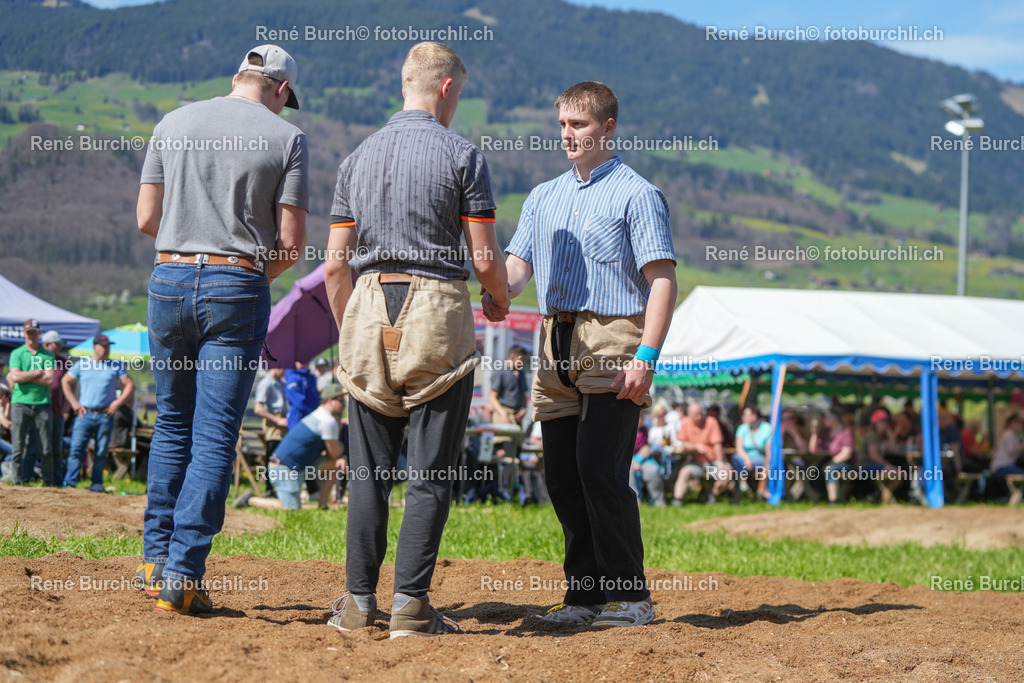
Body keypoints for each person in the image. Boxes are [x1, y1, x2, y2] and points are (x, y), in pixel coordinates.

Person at [323, 42, 509, 638]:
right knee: (429, 473)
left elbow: (334, 265)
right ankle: (410, 606)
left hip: (369, 302)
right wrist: (499, 298)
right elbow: (483, 256)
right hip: (436, 305)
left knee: (368, 472)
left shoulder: (357, 157)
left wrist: (349, 327)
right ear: (448, 88)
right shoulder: (462, 155)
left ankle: (356, 605)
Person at [484, 81, 677, 628]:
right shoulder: (544, 196)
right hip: (554, 340)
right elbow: (518, 269)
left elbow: (661, 280)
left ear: (608, 128)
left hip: (614, 336)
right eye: (564, 124)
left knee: (600, 468)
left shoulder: (638, 194)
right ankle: (585, 596)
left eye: (581, 125)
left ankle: (630, 595)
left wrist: (647, 354)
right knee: (563, 475)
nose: (569, 135)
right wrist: (500, 294)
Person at [134, 44, 308, 613]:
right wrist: (250, 274)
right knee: (213, 438)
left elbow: (145, 219)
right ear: (280, 89)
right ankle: (182, 576)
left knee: (171, 425)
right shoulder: (287, 139)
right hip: (235, 285)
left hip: (168, 277)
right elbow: (290, 245)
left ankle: (153, 560)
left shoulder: (173, 122)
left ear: (239, 76)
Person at [235, 384, 348, 510]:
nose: (344, 404)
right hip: (283, 468)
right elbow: (335, 453)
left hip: (294, 467)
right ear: (331, 401)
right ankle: (251, 499)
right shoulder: (327, 421)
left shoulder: (320, 415)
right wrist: (342, 445)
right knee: (291, 509)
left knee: (335, 463)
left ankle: (323, 505)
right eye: (341, 400)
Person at [61, 334, 135, 491]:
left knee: (101, 452)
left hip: (104, 415)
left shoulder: (116, 366)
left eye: (108, 346)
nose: (107, 349)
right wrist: (74, 403)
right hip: (84, 414)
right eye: (104, 346)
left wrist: (118, 402)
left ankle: (96, 485)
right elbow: (65, 381)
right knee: (76, 449)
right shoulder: (83, 364)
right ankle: (70, 483)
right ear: (95, 347)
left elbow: (129, 385)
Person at [2, 320, 56, 486]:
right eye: (29, 332)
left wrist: (25, 377)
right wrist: (36, 373)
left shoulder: (47, 355)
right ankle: (17, 482)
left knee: (46, 447)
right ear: (24, 334)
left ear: (39, 333)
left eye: (34, 332)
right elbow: (15, 377)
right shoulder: (17, 353)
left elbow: (49, 380)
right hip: (20, 404)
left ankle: (49, 482)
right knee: (17, 447)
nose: (32, 335)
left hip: (42, 404)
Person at [489, 345, 530, 499]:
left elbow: (525, 395)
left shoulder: (521, 374)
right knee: (505, 453)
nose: (524, 363)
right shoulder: (500, 371)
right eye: (522, 360)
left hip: (516, 418)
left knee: (516, 454)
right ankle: (502, 491)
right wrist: (502, 413)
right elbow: (492, 396)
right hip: (503, 416)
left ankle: (514, 489)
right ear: (512, 357)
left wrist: (524, 409)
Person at [672, 402, 731, 504]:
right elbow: (682, 443)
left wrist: (720, 463)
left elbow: (717, 444)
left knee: (727, 472)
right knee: (683, 473)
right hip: (696, 462)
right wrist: (696, 447)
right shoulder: (686, 423)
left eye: (701, 414)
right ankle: (677, 501)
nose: (699, 417)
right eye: (696, 416)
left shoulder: (711, 422)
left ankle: (713, 495)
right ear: (689, 415)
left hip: (713, 461)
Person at [41, 330, 70, 479]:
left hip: (57, 412)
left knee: (56, 449)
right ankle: (42, 478)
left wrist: (67, 404)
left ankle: (57, 481)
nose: (60, 347)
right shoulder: (37, 359)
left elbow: (72, 384)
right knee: (39, 448)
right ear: (47, 345)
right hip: (38, 412)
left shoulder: (63, 362)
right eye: (57, 344)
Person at [732, 405, 771, 500]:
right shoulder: (742, 428)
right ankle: (741, 487)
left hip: (760, 459)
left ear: (754, 416)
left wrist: (767, 465)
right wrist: (746, 459)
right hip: (743, 459)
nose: (742, 417)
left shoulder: (767, 428)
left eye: (745, 415)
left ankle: (744, 488)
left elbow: (768, 452)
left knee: (765, 465)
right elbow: (739, 448)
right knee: (736, 459)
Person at [253, 367, 289, 458]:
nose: (285, 370)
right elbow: (258, 409)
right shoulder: (266, 383)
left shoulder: (282, 383)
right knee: (273, 456)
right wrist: (277, 420)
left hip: (283, 422)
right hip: (273, 424)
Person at [823, 411, 855, 505]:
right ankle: (816, 498)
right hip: (831, 462)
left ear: (835, 419)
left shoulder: (845, 432)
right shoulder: (827, 433)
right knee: (812, 469)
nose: (825, 420)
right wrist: (815, 433)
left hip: (846, 464)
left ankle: (833, 500)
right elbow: (814, 449)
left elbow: (847, 453)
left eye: (827, 418)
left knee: (830, 469)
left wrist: (831, 462)